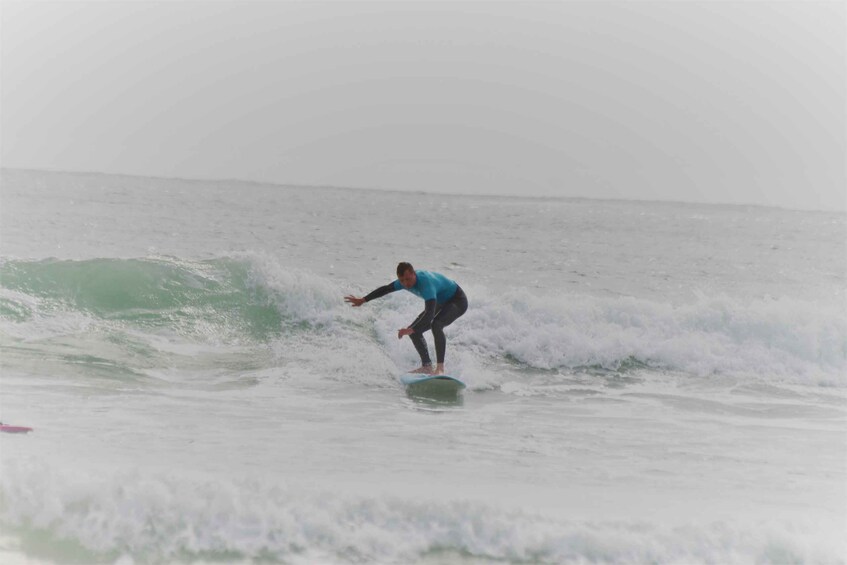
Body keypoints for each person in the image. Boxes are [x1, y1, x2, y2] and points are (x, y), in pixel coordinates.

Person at [344, 262, 468, 375]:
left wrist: (412, 329)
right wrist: (363, 299)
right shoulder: (402, 283)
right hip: (440, 301)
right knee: (414, 331)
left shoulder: (426, 283)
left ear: (414, 274)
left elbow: (429, 314)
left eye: (408, 279)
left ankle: (440, 368)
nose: (406, 284)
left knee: (436, 324)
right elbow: (386, 289)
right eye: (402, 280)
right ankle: (427, 366)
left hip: (457, 300)